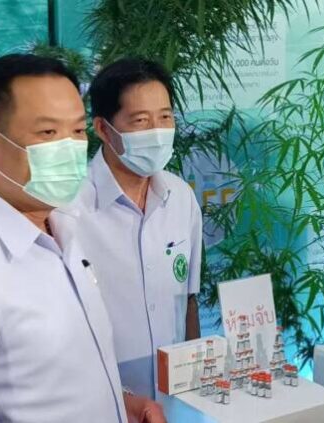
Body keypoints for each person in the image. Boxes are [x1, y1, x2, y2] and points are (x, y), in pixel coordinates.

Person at [0, 54, 163, 423]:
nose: (69, 148)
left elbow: (53, 374)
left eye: (77, 131)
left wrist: (118, 402)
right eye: (48, 133)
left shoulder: (59, 219)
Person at [52, 58, 202, 402]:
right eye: (141, 121)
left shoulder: (180, 197)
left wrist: (195, 389)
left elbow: (188, 299)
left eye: (165, 117)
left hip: (174, 399)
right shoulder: (65, 208)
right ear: (103, 129)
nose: (157, 131)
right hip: (96, 402)